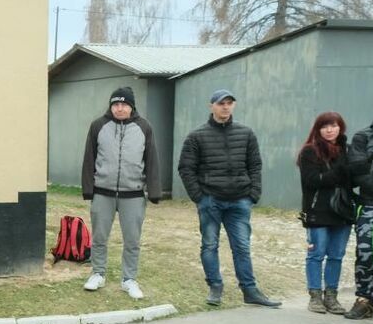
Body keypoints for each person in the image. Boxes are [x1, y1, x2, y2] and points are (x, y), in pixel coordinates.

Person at [177, 89, 280, 308]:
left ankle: (250, 290)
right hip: (211, 201)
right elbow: (186, 168)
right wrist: (199, 197)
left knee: (242, 246)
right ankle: (215, 286)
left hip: (240, 200)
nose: (225, 107)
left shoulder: (246, 133)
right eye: (221, 103)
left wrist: (253, 194)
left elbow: (255, 165)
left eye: (229, 103)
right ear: (211, 106)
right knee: (209, 245)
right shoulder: (197, 136)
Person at [80, 86, 161, 300]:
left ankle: (129, 279)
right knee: (99, 237)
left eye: (124, 104)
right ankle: (97, 274)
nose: (119, 108)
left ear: (131, 106)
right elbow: (89, 158)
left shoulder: (144, 127)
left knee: (132, 240)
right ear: (111, 106)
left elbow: (152, 159)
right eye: (116, 104)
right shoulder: (98, 126)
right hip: (103, 193)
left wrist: (154, 191)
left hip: (133, 194)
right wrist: (88, 189)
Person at [297, 112, 352, 315]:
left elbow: (352, 179)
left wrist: (344, 160)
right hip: (317, 211)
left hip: (342, 211)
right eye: (324, 126)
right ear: (318, 129)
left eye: (334, 125)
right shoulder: (309, 152)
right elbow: (313, 180)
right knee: (316, 255)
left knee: (336, 256)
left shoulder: (346, 149)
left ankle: (331, 296)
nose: (329, 130)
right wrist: (340, 170)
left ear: (341, 127)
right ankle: (315, 296)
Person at [345, 121, 373, 320]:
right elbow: (357, 173)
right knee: (366, 252)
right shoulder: (363, 137)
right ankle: (365, 299)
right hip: (371, 203)